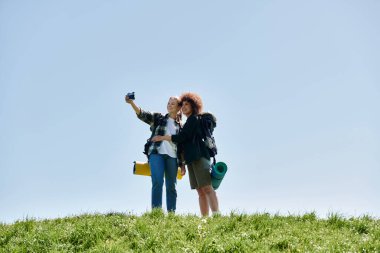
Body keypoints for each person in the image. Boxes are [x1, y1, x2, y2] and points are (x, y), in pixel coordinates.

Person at [152, 92, 220, 216]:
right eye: (182, 104)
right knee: (200, 190)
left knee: (207, 187)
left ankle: (216, 215)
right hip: (191, 159)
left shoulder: (194, 118)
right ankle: (204, 218)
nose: (184, 107)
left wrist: (163, 137)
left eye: (187, 104)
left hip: (200, 156)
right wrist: (182, 163)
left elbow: (182, 137)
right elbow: (183, 145)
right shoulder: (188, 122)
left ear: (194, 105)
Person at [125, 95, 186, 213]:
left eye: (173, 103)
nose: (169, 105)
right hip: (156, 153)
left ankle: (172, 214)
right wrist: (132, 103)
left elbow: (181, 147)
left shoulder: (181, 126)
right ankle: (156, 213)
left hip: (173, 158)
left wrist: (182, 164)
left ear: (179, 107)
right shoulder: (159, 118)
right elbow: (143, 114)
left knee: (171, 186)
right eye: (168, 103)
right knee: (157, 182)